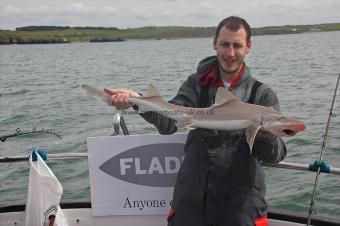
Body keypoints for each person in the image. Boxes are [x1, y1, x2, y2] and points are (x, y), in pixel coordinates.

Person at [104, 16, 286, 226]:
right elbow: (168, 123)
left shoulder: (261, 95)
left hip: (240, 209)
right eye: (225, 44)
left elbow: (275, 156)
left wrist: (264, 135)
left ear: (249, 47)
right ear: (214, 44)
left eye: (237, 45)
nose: (230, 53)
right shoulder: (196, 84)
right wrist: (137, 101)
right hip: (191, 207)